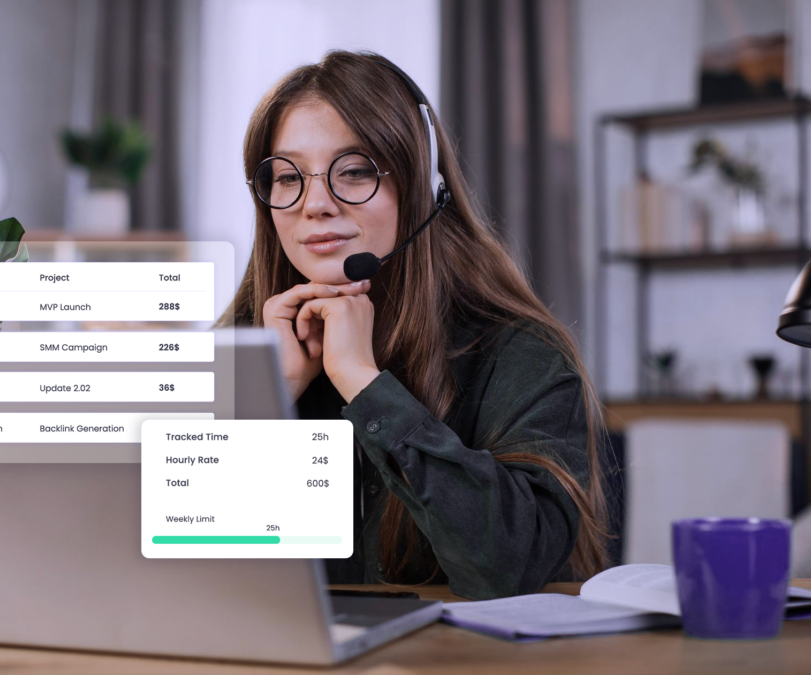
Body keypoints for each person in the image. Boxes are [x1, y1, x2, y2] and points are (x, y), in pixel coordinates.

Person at [217, 51, 609, 600]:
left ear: (422, 184)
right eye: (286, 178)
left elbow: (510, 569)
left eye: (352, 171)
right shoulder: (237, 345)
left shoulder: (519, 352)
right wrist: (269, 398)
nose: (316, 204)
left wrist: (364, 384)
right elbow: (155, 563)